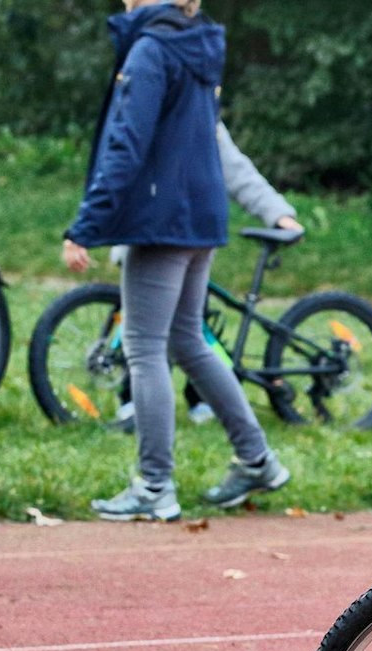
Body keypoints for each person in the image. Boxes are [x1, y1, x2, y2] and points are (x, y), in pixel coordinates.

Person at [63, 0, 290, 521]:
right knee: (187, 340)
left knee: (144, 348)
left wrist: (86, 226)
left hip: (162, 218)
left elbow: (127, 143)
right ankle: (257, 459)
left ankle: (154, 485)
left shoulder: (151, 49)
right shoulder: (198, 44)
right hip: (199, 213)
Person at [112, 118, 306, 431]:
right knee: (156, 334)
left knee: (181, 332)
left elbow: (237, 170)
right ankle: (139, 401)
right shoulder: (145, 110)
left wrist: (277, 213)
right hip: (152, 238)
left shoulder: (199, 115)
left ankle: (199, 401)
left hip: (186, 238)